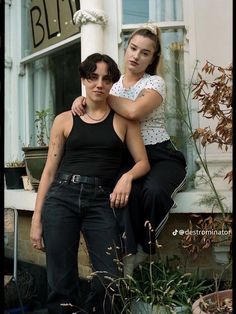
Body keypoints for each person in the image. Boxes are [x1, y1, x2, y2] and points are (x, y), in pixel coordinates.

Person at [30, 53, 150, 314]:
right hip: (62, 197)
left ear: (112, 84)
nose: (99, 84)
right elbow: (49, 172)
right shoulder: (63, 120)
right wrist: (37, 220)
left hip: (101, 200)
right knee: (60, 279)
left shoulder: (124, 121)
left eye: (106, 79)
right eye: (93, 77)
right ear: (84, 79)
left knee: (110, 277)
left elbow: (143, 162)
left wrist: (127, 177)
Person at [71, 25, 187, 276]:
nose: (136, 56)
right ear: (126, 49)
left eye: (145, 53)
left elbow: (134, 111)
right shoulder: (111, 85)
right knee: (122, 197)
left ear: (152, 59)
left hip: (160, 155)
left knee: (154, 192)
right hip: (127, 157)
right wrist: (82, 100)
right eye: (133, 48)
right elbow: (95, 108)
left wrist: (97, 95)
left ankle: (146, 248)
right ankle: (128, 256)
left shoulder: (155, 83)